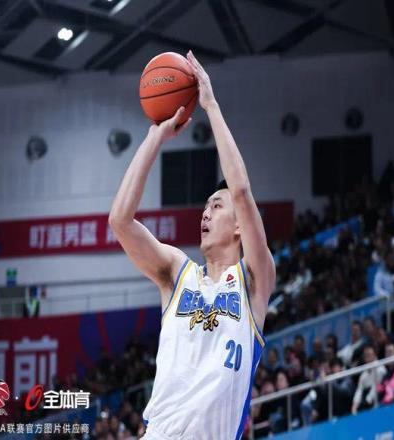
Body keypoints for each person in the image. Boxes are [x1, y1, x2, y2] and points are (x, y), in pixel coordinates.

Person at [109, 50, 276, 440]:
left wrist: (210, 105)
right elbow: (120, 221)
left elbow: (241, 191)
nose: (205, 213)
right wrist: (154, 138)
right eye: (205, 207)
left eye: (216, 206)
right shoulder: (177, 273)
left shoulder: (254, 281)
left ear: (240, 225)